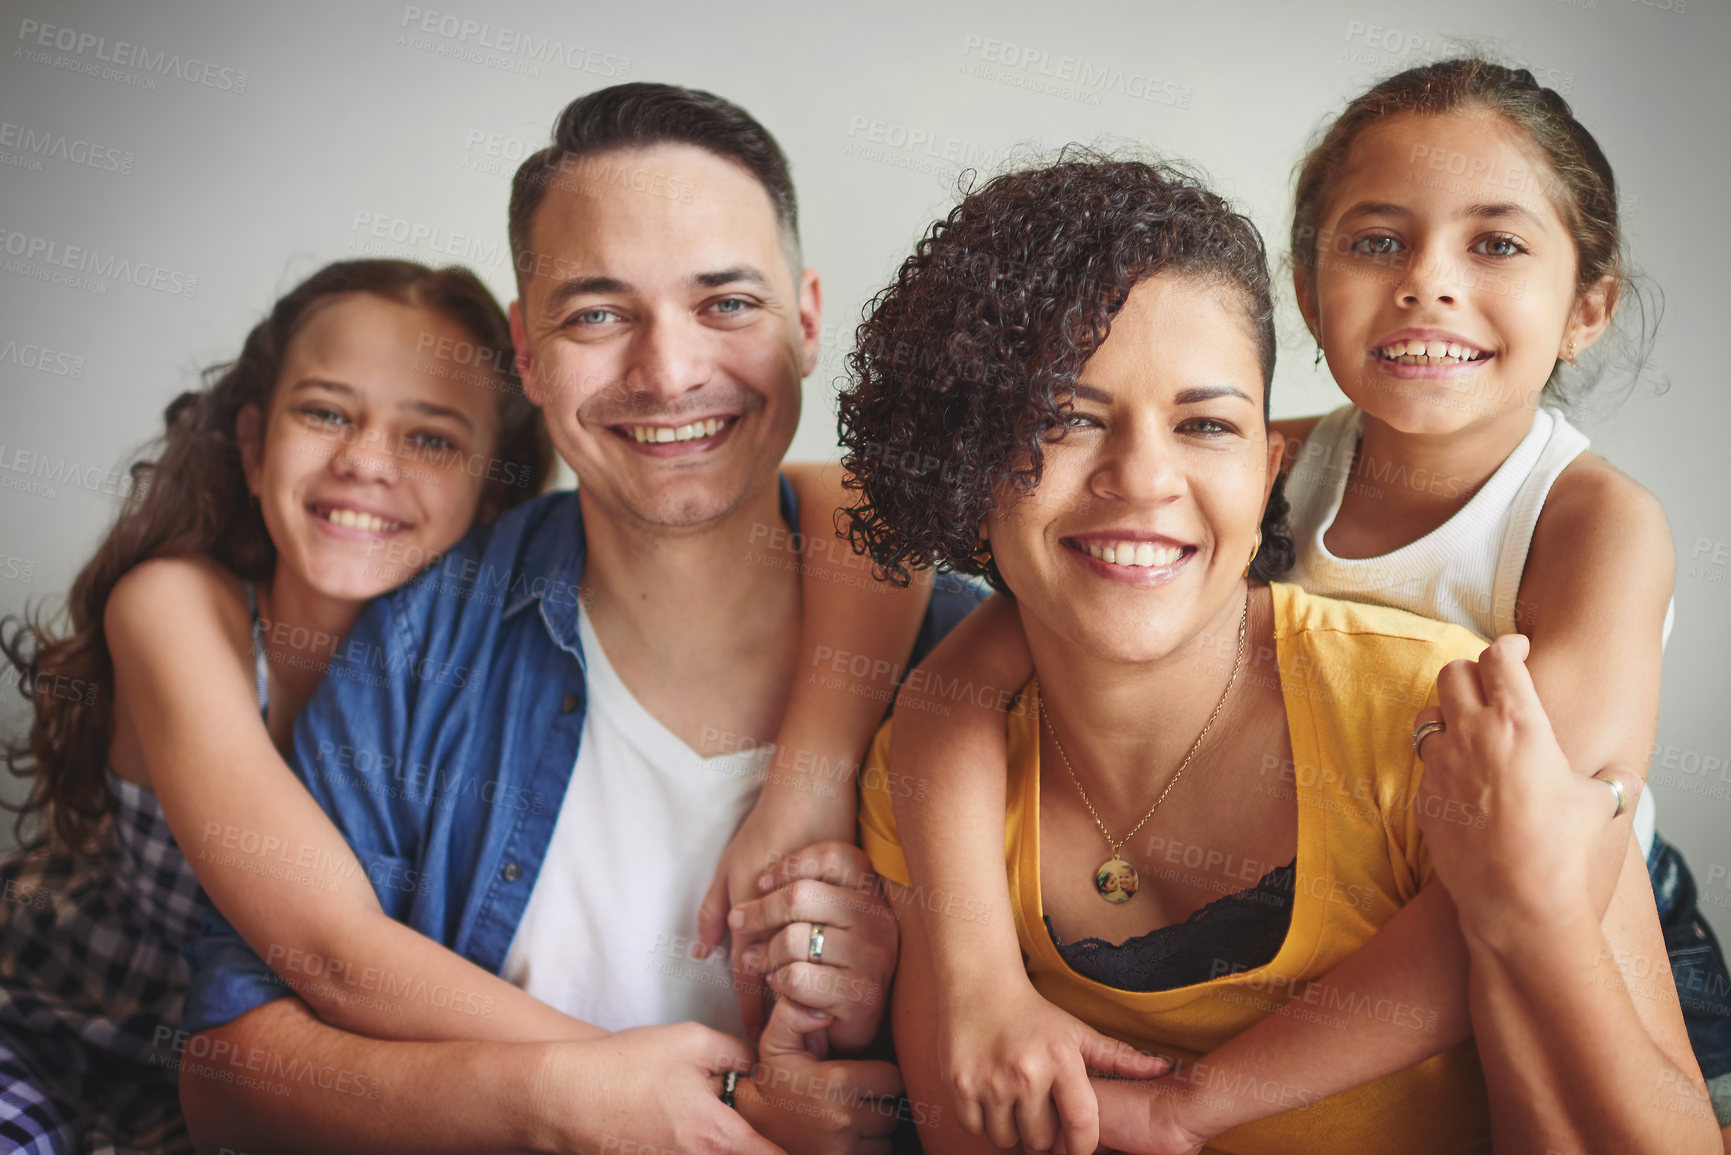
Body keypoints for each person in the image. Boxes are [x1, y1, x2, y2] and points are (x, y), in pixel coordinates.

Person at [887, 58, 1731, 1148]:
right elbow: (962, 680)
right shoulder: (1263, 463)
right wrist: (977, 976)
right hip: (1368, 885)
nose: (1428, 281)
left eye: (1497, 243)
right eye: (1378, 240)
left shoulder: (1593, 523)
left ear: (1589, 307)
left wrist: (1203, 1100)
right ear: (1306, 286)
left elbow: (1516, 868)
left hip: (1585, 906)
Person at [172, 82, 980, 1155]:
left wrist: (892, 1046)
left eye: (726, 304)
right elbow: (223, 1066)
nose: (669, 372)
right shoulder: (424, 641)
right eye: (598, 313)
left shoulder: (964, 664)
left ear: (809, 317)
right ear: (526, 352)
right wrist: (555, 1105)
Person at [0, 257, 555, 1154]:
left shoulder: (487, 674)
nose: (366, 462)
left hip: (274, 1098)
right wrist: (625, 1080)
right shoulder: (174, 605)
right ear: (256, 447)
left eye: (432, 439)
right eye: (327, 412)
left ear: (492, 492)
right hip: (53, 1031)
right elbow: (330, 951)